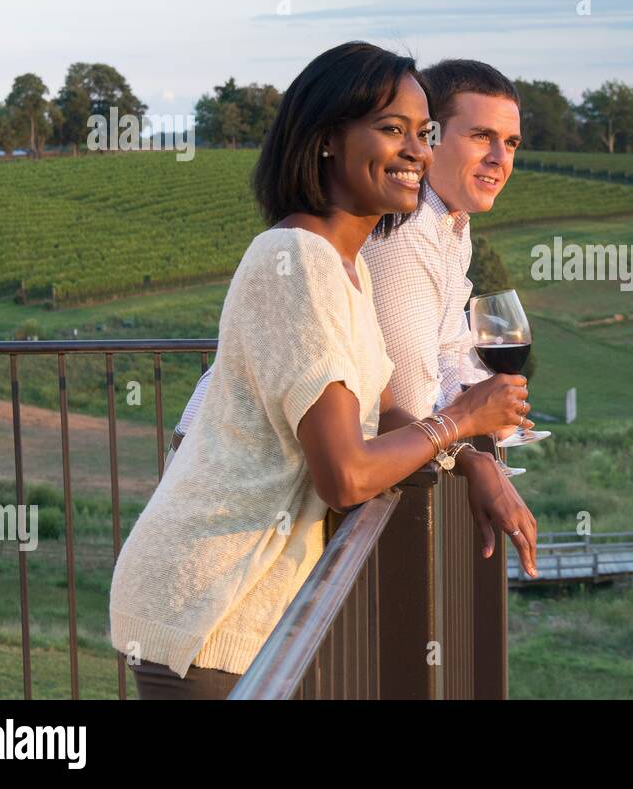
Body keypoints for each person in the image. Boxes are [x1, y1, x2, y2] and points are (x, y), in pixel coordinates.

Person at [109, 42, 535, 699]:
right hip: (207, 604)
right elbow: (346, 473)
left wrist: (473, 456)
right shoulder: (299, 261)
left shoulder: (348, 265)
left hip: (235, 599)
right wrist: (460, 419)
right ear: (327, 139)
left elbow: (388, 407)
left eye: (423, 134)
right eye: (392, 129)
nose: (415, 150)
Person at [168, 58, 536, 567]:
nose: (499, 158)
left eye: (511, 143)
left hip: (247, 521)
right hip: (220, 526)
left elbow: (399, 396)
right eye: (480, 136)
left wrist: (470, 441)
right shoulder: (378, 242)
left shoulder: (413, 237)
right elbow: (372, 446)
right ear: (328, 140)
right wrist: (465, 429)